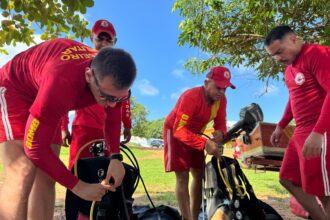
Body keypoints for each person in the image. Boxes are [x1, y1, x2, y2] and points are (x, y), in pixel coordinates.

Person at [0, 38, 136, 220]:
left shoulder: (113, 86)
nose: (112, 104)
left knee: (47, 175)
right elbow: (35, 148)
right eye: (106, 96)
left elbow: (112, 118)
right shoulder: (62, 83)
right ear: (89, 75)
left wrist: (115, 157)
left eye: (119, 99)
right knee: (22, 170)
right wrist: (78, 186)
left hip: (47, 94)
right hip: (16, 89)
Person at [265, 25, 330, 219]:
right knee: (287, 178)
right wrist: (281, 125)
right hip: (300, 132)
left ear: (293, 39)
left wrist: (319, 132)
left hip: (320, 129)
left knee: (325, 192)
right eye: (273, 55)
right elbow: (294, 99)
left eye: (279, 51)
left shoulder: (316, 53)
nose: (278, 58)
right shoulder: (289, 70)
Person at [163, 66, 235, 220]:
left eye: (225, 89)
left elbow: (221, 123)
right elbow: (179, 130)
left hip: (195, 135)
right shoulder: (191, 96)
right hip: (176, 131)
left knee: (199, 174)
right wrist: (205, 144)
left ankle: (194, 217)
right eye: (218, 87)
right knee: (182, 177)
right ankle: (187, 218)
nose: (222, 92)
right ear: (206, 82)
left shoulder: (221, 100)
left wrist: (220, 133)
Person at [61, 19, 132, 171]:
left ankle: (104, 196)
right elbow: (65, 94)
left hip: (108, 129)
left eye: (109, 39)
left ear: (115, 41)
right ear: (92, 38)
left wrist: (127, 125)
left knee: (106, 170)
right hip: (84, 127)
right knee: (79, 169)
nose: (104, 42)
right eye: (100, 38)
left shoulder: (118, 67)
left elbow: (124, 99)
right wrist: (63, 126)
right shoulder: (81, 61)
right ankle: (77, 194)